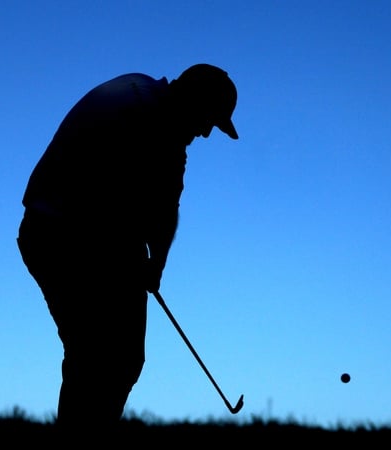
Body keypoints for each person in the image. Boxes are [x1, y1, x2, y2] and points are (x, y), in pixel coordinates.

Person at [16, 63, 239, 431]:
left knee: (97, 354)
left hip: (45, 231)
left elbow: (150, 204)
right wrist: (153, 265)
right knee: (111, 356)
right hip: (71, 237)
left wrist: (146, 260)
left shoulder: (138, 89)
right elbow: (160, 210)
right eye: (209, 120)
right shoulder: (162, 127)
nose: (204, 132)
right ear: (194, 101)